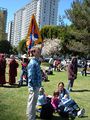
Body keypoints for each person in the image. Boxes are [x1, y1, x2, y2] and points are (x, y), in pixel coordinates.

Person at [26, 46, 42, 120]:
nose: (39, 53)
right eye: (38, 52)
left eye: (40, 51)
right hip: (34, 86)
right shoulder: (32, 62)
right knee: (32, 103)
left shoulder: (36, 61)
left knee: (34, 102)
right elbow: (30, 76)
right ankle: (31, 117)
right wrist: (32, 88)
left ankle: (32, 115)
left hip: (37, 85)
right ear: (33, 52)